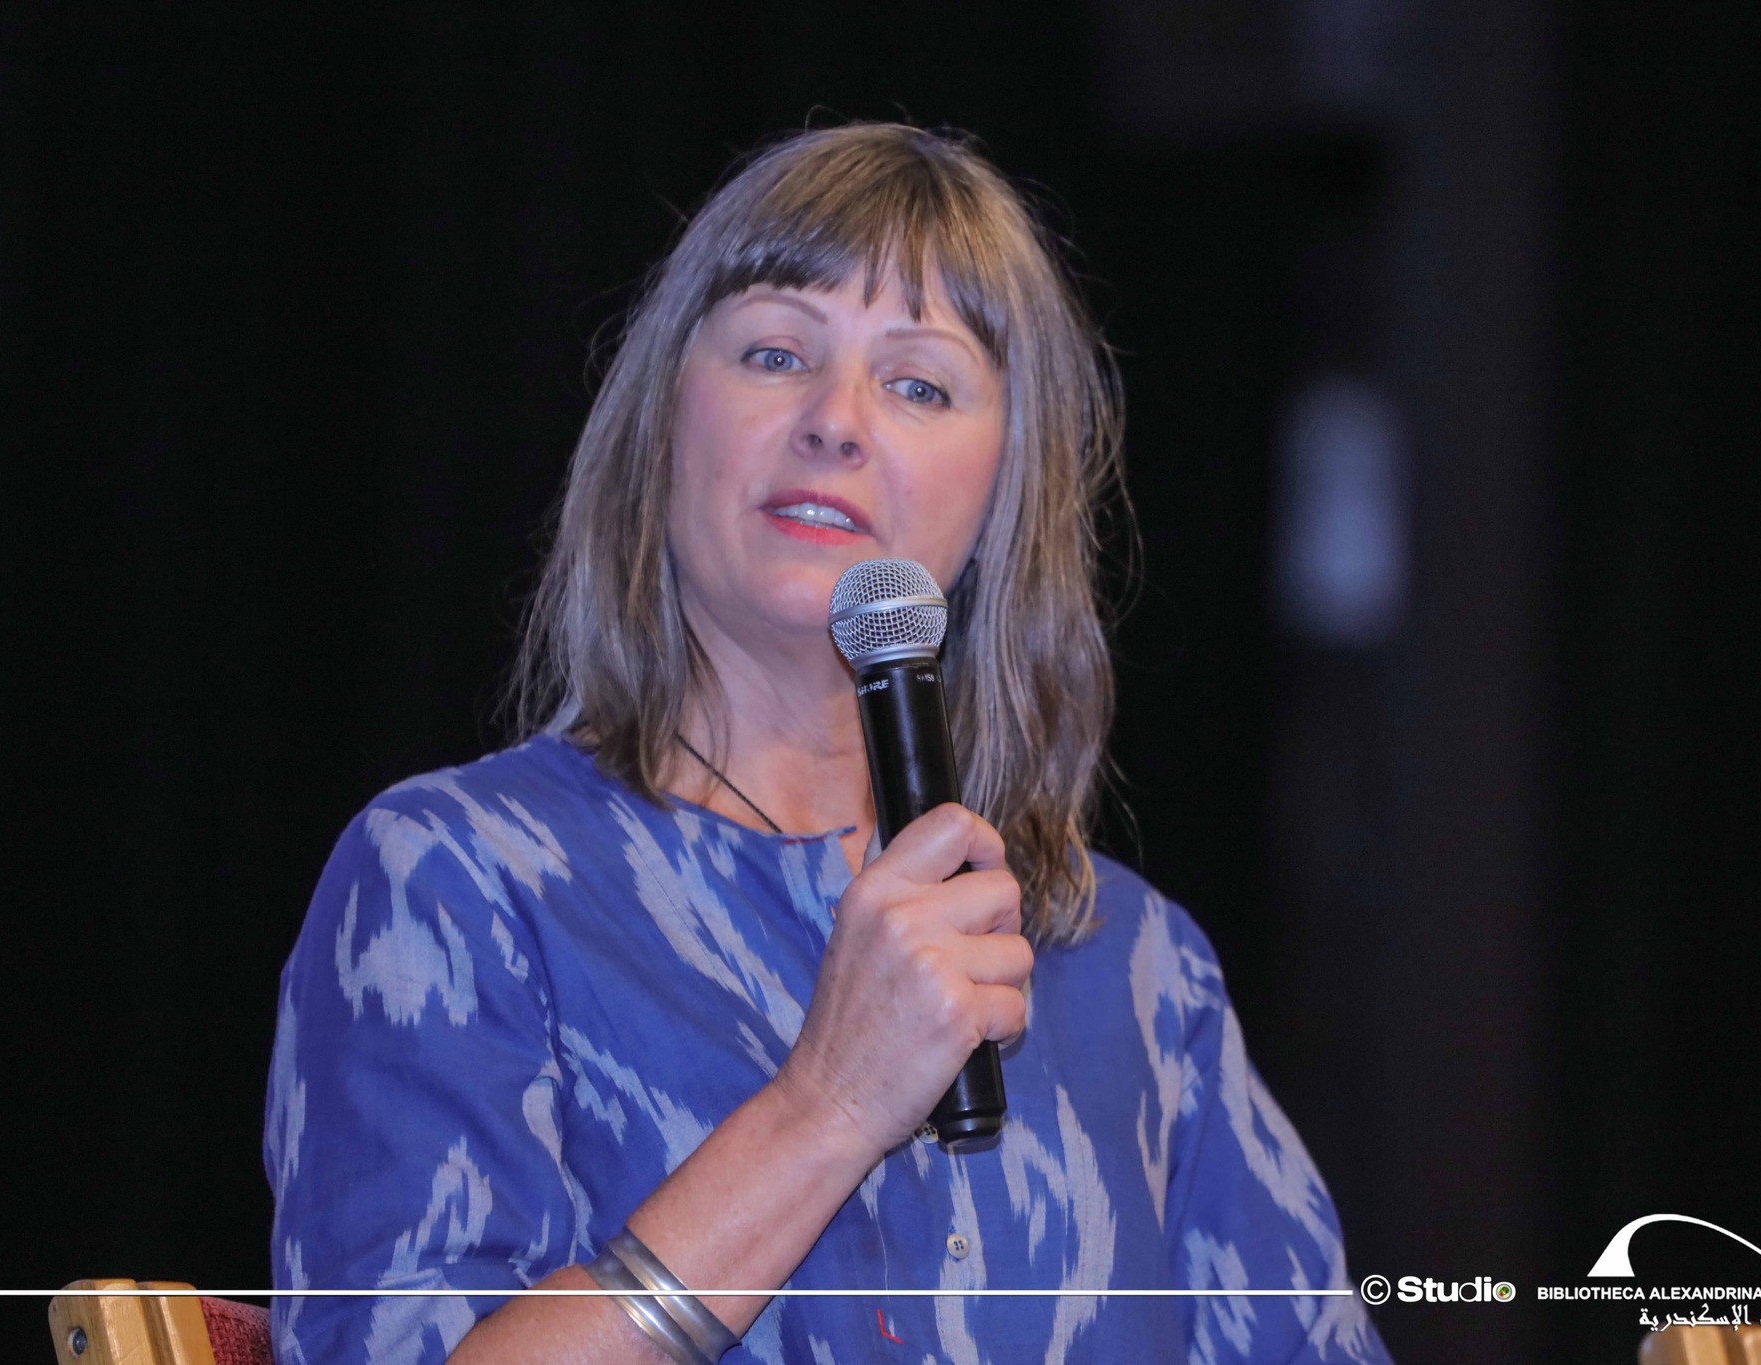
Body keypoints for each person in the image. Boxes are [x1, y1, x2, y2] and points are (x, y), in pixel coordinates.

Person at [265, 122, 1391, 1365]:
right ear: (661, 425)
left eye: (917, 385)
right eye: (774, 353)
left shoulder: (1132, 965)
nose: (835, 421)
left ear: (1003, 496)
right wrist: (829, 1105)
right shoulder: (458, 881)